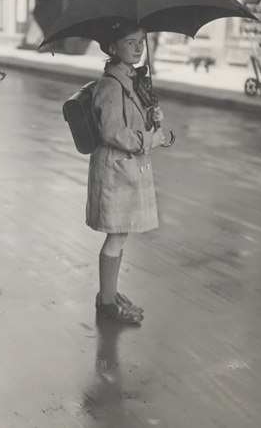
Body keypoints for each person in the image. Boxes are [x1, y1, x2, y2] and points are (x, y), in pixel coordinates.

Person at [87, 18, 165, 323]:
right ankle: (107, 301)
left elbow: (130, 119)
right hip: (115, 171)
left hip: (127, 169)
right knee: (116, 235)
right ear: (112, 48)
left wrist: (151, 114)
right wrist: (149, 139)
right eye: (130, 42)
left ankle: (109, 292)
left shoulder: (130, 80)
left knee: (121, 234)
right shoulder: (110, 84)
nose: (137, 48)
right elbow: (111, 132)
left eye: (141, 42)